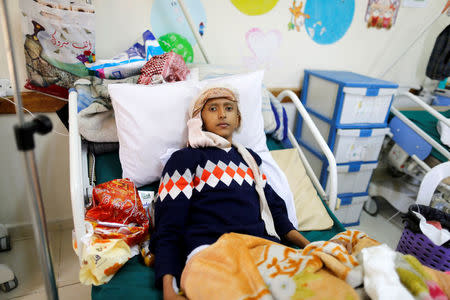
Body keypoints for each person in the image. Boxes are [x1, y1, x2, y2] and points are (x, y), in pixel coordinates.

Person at [150, 87, 311, 300]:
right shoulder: (184, 160)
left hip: (259, 246)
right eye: (212, 108)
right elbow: (168, 225)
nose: (222, 114)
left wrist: (310, 248)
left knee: (308, 289)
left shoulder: (250, 160)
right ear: (199, 119)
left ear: (238, 119)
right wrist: (169, 289)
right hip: (209, 250)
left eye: (229, 108)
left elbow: (277, 214)